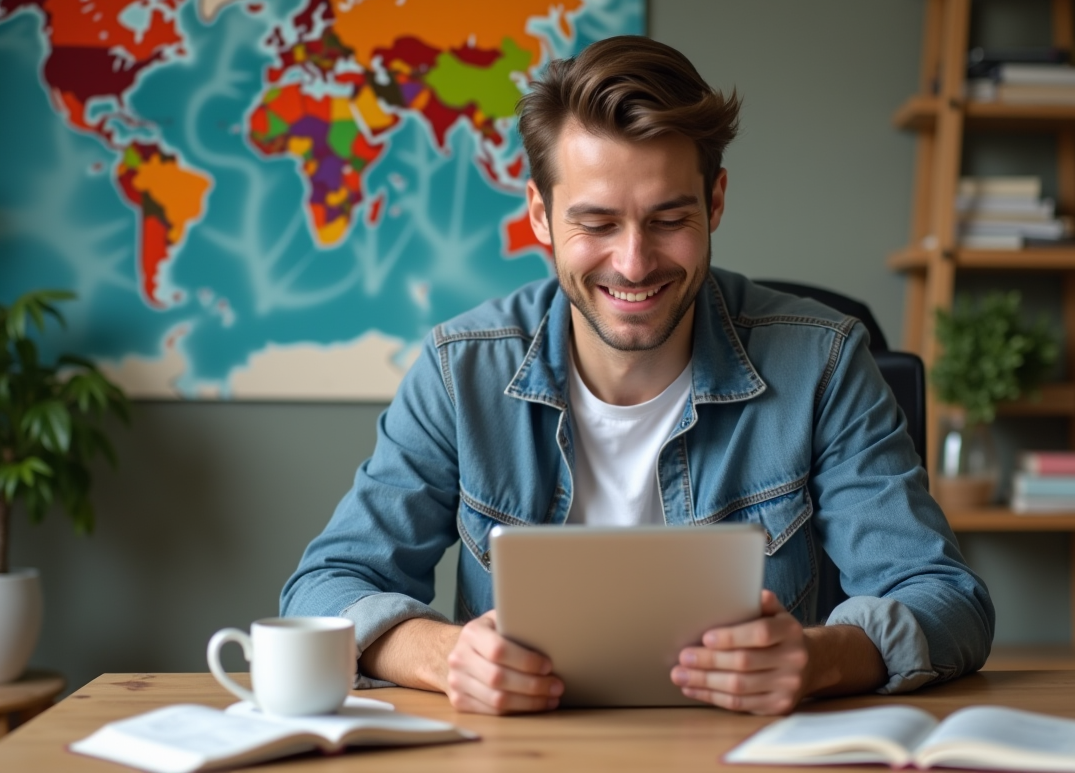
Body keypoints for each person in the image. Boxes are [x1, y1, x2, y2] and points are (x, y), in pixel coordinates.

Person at [282, 35, 994, 717]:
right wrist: (445, 656)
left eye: (668, 218)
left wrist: (820, 659)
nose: (633, 263)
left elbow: (946, 599)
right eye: (595, 223)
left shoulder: (826, 361)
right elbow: (323, 588)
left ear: (714, 203)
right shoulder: (458, 370)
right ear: (540, 214)